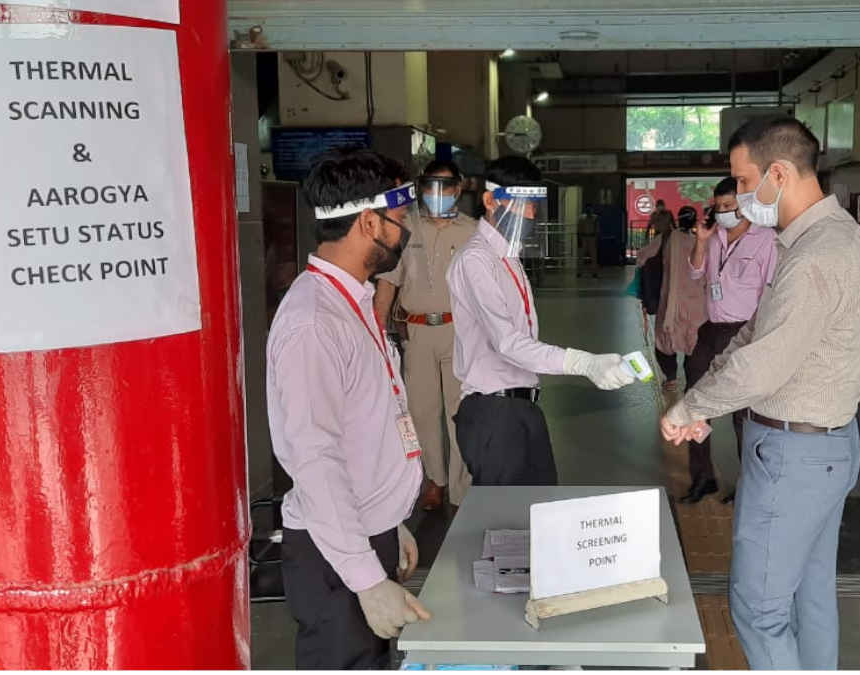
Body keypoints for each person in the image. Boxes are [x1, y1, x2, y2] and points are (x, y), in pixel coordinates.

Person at [661, 116, 860, 670]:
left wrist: (690, 406)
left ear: (778, 172)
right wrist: (708, 398)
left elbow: (764, 363)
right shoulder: (830, 235)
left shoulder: (813, 256)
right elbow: (757, 330)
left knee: (758, 609)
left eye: (745, 180)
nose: (739, 196)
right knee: (810, 597)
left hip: (795, 457)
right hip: (825, 448)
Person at [268, 147, 430, 669]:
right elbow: (314, 460)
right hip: (333, 562)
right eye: (400, 221)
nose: (406, 233)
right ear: (368, 222)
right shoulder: (314, 322)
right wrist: (365, 578)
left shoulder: (352, 300)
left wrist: (390, 519)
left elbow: (366, 429)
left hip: (362, 533)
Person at [447, 156, 634, 486]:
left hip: (523, 406)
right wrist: (582, 363)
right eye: (524, 204)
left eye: (535, 203)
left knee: (538, 513)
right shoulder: (476, 260)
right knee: (506, 523)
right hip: (495, 413)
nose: (532, 213)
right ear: (491, 201)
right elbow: (507, 343)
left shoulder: (508, 256)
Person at [374, 159, 476, 511]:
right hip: (416, 333)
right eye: (432, 185)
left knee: (459, 413)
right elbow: (388, 281)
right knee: (421, 411)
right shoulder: (406, 229)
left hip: (460, 332)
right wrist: (377, 329)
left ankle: (461, 489)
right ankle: (435, 481)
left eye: (447, 186)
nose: (439, 194)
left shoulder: (473, 232)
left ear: (458, 189)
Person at [680, 177, 778, 505]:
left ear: (746, 206)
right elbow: (695, 274)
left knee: (744, 415)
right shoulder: (714, 237)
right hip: (711, 331)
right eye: (718, 207)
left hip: (746, 332)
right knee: (695, 403)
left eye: (728, 207)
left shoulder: (766, 241)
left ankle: (749, 484)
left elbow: (772, 293)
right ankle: (702, 476)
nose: (722, 213)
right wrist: (700, 241)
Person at [637, 206, 706, 393]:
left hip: (670, 301)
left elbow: (642, 258)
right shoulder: (703, 240)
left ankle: (671, 377)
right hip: (697, 302)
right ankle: (693, 383)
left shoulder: (669, 238)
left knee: (665, 341)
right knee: (694, 342)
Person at [577, 204, 601, 278]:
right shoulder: (581, 218)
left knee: (594, 256)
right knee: (581, 256)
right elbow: (579, 229)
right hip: (584, 237)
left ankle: (594, 272)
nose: (589, 210)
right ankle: (579, 272)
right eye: (587, 209)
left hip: (592, 237)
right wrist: (579, 239)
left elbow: (597, 229)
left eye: (590, 209)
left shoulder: (595, 218)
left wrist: (597, 239)